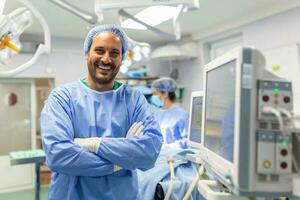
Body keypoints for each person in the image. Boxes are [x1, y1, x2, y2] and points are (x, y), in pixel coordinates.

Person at [41, 24, 163, 200]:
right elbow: (59, 155)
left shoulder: (134, 100)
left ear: (121, 59)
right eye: (99, 50)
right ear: (87, 54)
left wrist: (94, 144)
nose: (106, 59)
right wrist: (122, 159)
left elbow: (149, 152)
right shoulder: (63, 98)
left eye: (114, 53)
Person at [151, 77, 189, 148]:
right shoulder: (156, 114)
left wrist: (168, 147)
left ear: (165, 94)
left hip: (176, 157)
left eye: (155, 94)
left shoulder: (182, 115)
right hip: (159, 156)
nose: (153, 97)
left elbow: (187, 141)